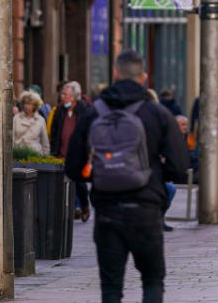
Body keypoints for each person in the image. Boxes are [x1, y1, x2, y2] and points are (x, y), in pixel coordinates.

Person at [65, 50, 189, 303]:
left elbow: (73, 167)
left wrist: (104, 174)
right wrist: (152, 174)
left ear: (115, 73)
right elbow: (180, 166)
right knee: (152, 281)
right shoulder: (157, 113)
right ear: (143, 77)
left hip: (108, 209)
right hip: (146, 208)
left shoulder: (93, 112)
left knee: (111, 287)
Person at [50, 80, 91, 222]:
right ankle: (70, 209)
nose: (63, 97)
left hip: (78, 153)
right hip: (62, 152)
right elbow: (55, 132)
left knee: (79, 183)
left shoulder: (83, 111)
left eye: (66, 94)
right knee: (63, 182)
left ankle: (85, 206)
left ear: (74, 97)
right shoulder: (59, 111)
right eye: (63, 94)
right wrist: (53, 150)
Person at [13, 89, 50, 155]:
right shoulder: (16, 118)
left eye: (30, 104)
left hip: (35, 154)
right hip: (18, 153)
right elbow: (11, 138)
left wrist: (45, 157)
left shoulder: (41, 120)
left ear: (35, 105)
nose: (26, 106)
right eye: (25, 103)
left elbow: (45, 142)